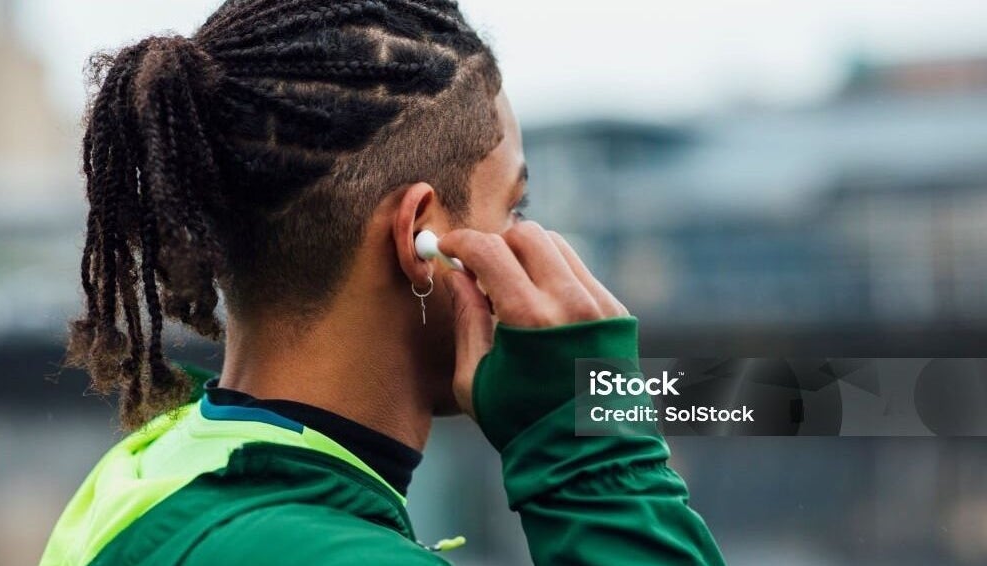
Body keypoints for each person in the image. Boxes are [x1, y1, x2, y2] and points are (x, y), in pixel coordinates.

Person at [41, 1, 724, 564]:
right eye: (514, 206)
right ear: (422, 240)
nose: (536, 241)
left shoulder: (160, 476)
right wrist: (597, 451)